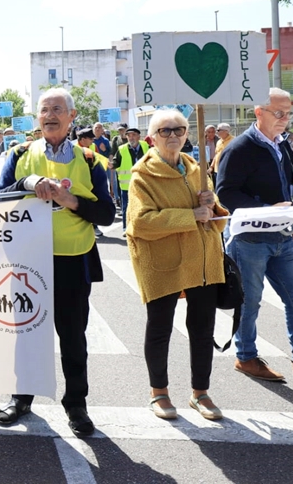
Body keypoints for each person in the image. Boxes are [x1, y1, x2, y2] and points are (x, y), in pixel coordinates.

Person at [0, 87, 115, 437]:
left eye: (57, 109)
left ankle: (76, 404)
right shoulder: (18, 154)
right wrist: (28, 183)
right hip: (27, 262)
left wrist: (70, 200)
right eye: (44, 109)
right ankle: (21, 397)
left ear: (71, 117)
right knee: (27, 333)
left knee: (73, 337)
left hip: (73, 262)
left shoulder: (91, 160)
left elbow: (106, 214)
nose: (50, 115)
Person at [126, 110, 228, 421]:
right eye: (165, 130)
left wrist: (213, 207)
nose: (173, 135)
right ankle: (159, 392)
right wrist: (190, 216)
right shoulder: (142, 175)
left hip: (201, 261)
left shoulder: (196, 168)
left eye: (179, 129)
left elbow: (216, 221)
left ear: (187, 134)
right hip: (163, 262)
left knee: (202, 328)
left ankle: (201, 393)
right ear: (152, 137)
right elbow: (140, 223)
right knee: (159, 328)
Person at [217, 88, 293, 381]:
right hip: (249, 240)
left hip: (281, 237)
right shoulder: (239, 148)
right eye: (279, 113)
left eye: (288, 113)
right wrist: (267, 208)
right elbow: (225, 192)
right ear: (259, 113)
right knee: (249, 301)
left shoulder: (280, 143)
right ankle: (245, 357)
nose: (285, 119)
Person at [112, 127, 149, 230]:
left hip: (144, 182)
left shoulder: (146, 146)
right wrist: (111, 165)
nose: (131, 138)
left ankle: (142, 226)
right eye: (128, 135)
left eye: (133, 135)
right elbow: (116, 162)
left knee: (144, 205)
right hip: (127, 184)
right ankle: (126, 228)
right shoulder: (122, 149)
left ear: (138, 136)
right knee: (126, 207)